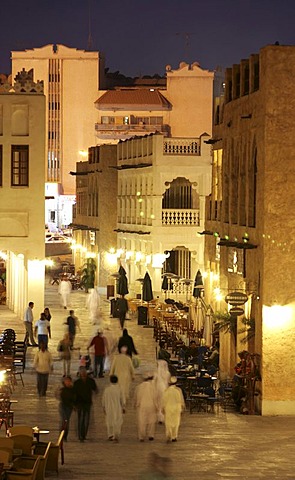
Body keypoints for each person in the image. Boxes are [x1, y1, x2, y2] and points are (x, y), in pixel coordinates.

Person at [73, 367, 98, 442]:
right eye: (82, 373)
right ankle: (81, 435)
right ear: (80, 374)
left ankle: (84, 435)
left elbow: (95, 389)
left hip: (87, 402)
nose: (83, 374)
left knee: (86, 419)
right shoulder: (77, 383)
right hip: (79, 403)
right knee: (80, 419)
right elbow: (74, 394)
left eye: (84, 373)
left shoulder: (90, 381)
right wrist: (74, 404)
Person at [134, 373, 158, 442]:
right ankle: (151, 435)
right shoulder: (153, 387)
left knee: (142, 421)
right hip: (152, 405)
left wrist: (136, 404)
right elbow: (155, 397)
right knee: (152, 421)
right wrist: (157, 406)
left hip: (142, 405)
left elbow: (136, 396)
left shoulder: (139, 387)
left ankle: (142, 436)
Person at [161, 376, 185, 443]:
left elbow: (163, 400)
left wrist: (162, 408)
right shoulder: (178, 390)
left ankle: (169, 434)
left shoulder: (166, 391)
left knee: (168, 422)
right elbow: (181, 400)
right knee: (176, 422)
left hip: (168, 407)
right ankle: (174, 436)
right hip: (177, 408)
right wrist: (182, 407)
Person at [102, 375, 125, 442]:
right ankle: (116, 436)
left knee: (109, 421)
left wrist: (104, 407)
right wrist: (123, 407)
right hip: (117, 408)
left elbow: (103, 399)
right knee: (117, 422)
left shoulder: (107, 389)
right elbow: (122, 399)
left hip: (108, 408)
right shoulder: (119, 389)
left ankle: (110, 435)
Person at [58, 376, 76, 441]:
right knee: (64, 420)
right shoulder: (62, 389)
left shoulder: (72, 389)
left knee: (67, 421)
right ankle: (62, 435)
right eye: (66, 381)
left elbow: (74, 397)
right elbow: (57, 395)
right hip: (63, 406)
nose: (67, 382)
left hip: (69, 407)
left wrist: (74, 405)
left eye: (69, 381)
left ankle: (65, 435)